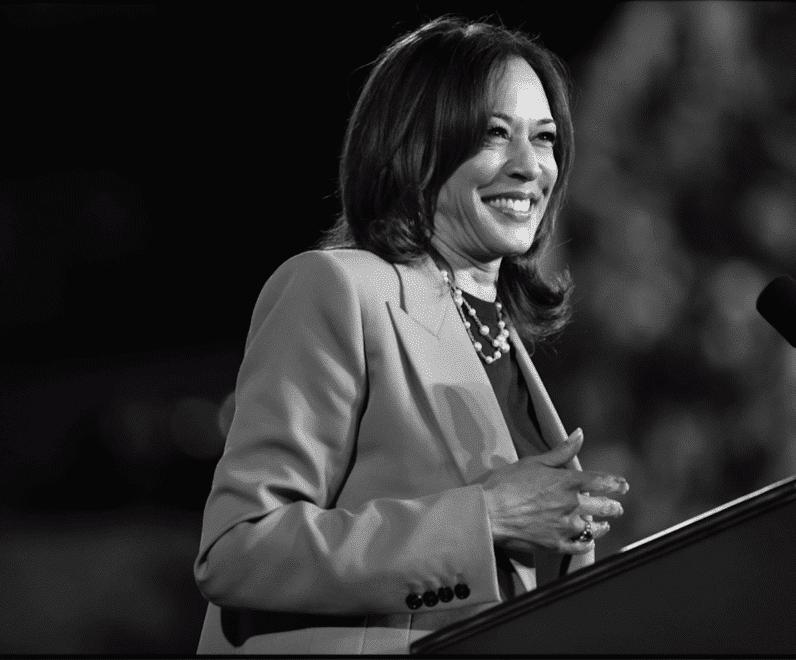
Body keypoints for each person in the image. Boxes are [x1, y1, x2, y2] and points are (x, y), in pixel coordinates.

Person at [193, 16, 629, 655]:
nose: (529, 166)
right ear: (416, 148)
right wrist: (487, 517)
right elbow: (238, 550)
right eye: (494, 134)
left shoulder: (501, 340)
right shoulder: (338, 290)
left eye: (545, 139)